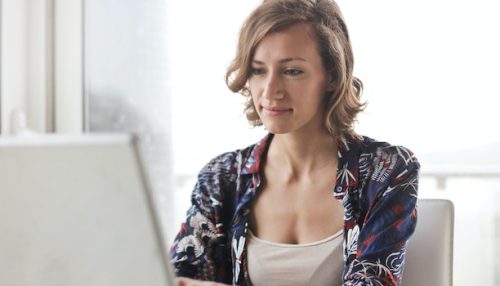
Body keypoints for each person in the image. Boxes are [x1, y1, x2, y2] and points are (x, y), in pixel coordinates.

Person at [170, 0, 420, 285]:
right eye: (257, 70)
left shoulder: (386, 170)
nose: (270, 90)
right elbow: (175, 279)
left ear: (333, 76)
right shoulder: (222, 178)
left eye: (292, 71)